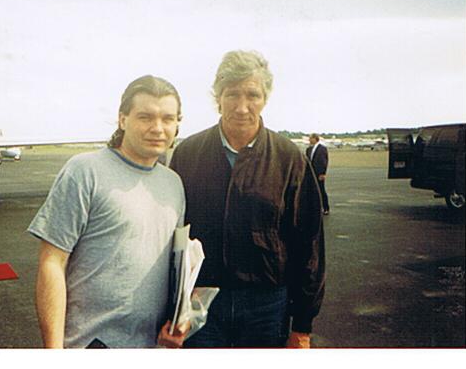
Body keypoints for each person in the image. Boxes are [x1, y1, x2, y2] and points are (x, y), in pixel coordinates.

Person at [169, 50, 325, 348]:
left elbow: (310, 245)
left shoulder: (289, 158)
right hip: (201, 303)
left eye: (252, 95)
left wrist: (302, 324)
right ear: (218, 98)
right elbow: (170, 238)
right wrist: (172, 309)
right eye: (232, 94)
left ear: (265, 98)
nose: (242, 107)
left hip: (267, 306)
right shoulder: (188, 154)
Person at [27, 75, 189, 348]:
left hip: (150, 347)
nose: (157, 128)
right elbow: (52, 263)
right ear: (122, 119)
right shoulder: (85, 171)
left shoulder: (173, 184)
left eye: (167, 119)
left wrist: (179, 320)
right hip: (91, 344)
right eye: (145, 117)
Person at [307, 133, 330, 215]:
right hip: (311, 174)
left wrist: (323, 173)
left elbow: (324, 162)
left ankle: (326, 208)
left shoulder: (322, 149)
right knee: (311, 191)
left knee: (321, 191)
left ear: (315, 139)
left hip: (319, 174)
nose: (309, 140)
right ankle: (315, 208)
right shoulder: (309, 149)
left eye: (310, 138)